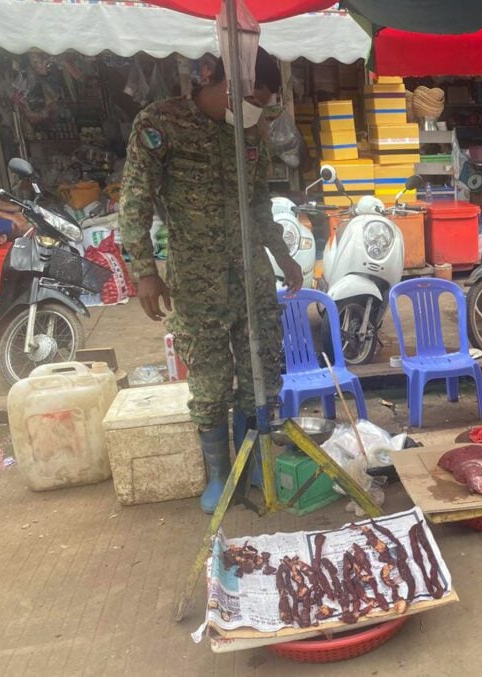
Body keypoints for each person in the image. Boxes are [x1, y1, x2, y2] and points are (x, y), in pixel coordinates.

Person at [119, 48, 303, 514]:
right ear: (225, 85)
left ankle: (252, 466)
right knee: (209, 379)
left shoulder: (253, 133)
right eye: (253, 99)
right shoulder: (160, 123)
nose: (257, 110)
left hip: (252, 278)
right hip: (197, 280)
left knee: (261, 371)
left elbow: (261, 203)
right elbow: (134, 202)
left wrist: (285, 257)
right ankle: (220, 476)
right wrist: (144, 271)